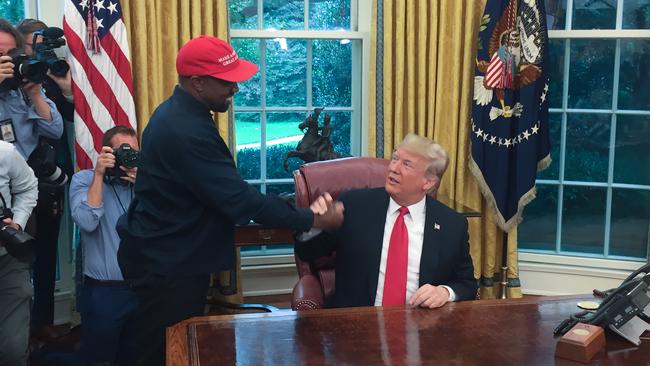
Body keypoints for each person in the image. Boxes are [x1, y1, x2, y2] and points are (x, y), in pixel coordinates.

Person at [116, 36, 343, 366]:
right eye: (227, 81)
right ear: (198, 82)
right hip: (169, 267)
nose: (235, 89)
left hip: (167, 257)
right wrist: (312, 219)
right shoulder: (185, 129)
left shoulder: (181, 114)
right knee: (164, 354)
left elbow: (217, 189)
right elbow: (238, 200)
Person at [297, 133, 477, 308]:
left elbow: (467, 284)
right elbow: (308, 253)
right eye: (394, 158)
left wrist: (445, 292)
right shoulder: (354, 206)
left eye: (406, 164)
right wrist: (316, 224)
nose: (393, 168)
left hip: (422, 326)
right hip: (358, 325)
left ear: (428, 182)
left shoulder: (452, 224)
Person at [16, 18, 74, 340]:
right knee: (17, 254)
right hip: (14, 181)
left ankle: (43, 322)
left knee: (47, 251)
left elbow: (68, 121)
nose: (34, 58)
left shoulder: (54, 72)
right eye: (29, 50)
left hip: (50, 177)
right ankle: (19, 326)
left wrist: (62, 87)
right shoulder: (10, 81)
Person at [69, 126, 139, 366]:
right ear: (106, 152)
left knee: (136, 358)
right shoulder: (84, 179)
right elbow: (87, 222)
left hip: (142, 289)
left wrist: (144, 187)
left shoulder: (144, 185)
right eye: (122, 152)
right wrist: (99, 175)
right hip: (103, 293)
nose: (128, 157)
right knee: (97, 359)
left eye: (134, 152)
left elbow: (166, 226)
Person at [0, 140, 38, 366]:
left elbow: (28, 186)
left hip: (8, 261)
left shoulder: (5, 152)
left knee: (13, 351)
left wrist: (17, 223)